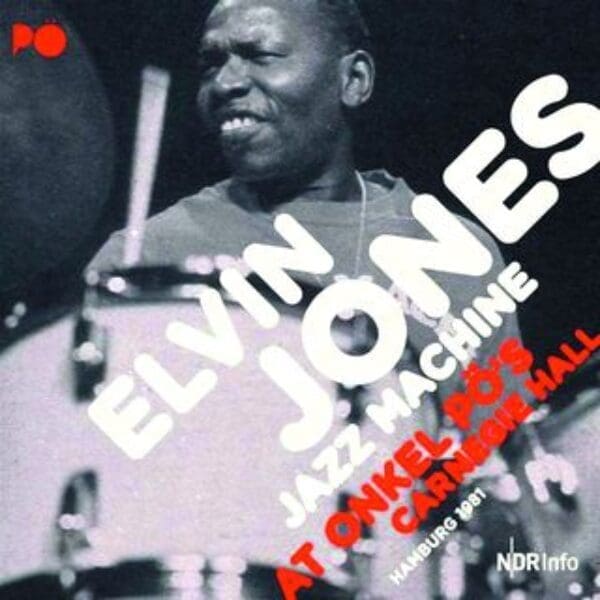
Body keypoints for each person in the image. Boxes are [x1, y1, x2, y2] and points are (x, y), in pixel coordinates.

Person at [89, 0, 528, 596]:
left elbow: (501, 489)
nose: (226, 82)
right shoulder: (142, 260)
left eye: (260, 55)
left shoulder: (455, 253)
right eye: (212, 63)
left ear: (354, 80)